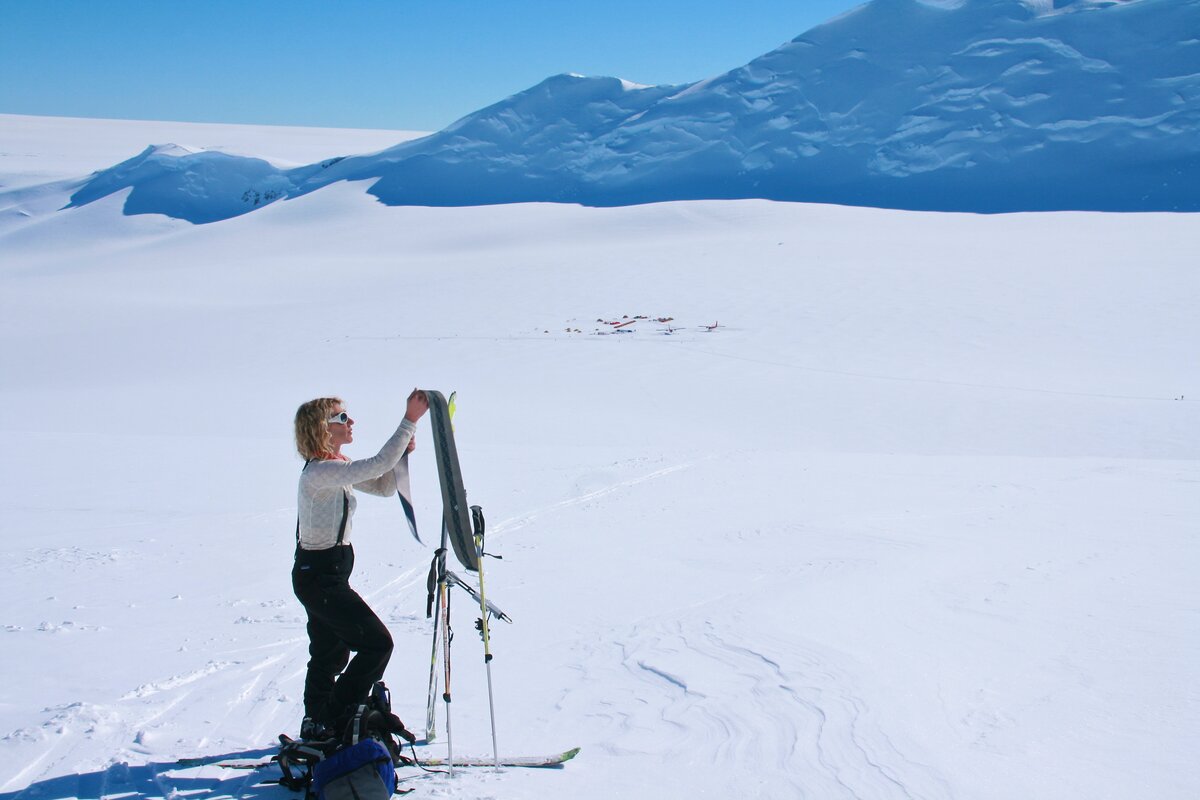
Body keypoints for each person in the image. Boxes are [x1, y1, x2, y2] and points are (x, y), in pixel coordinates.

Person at [291, 389, 429, 739]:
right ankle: (334, 717)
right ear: (321, 429)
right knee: (377, 644)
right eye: (341, 418)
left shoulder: (335, 468)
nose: (350, 422)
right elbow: (376, 465)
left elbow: (383, 485)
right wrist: (409, 421)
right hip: (320, 576)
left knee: (329, 652)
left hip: (327, 573)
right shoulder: (320, 472)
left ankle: (317, 722)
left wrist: (400, 456)